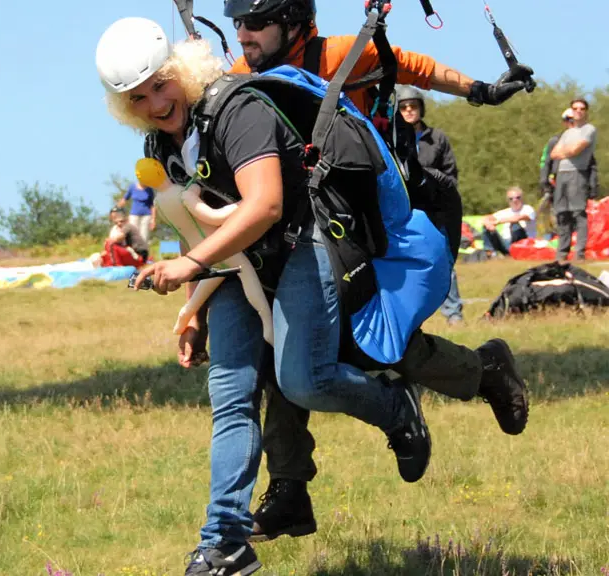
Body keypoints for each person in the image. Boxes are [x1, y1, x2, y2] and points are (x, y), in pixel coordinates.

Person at [98, 19, 446, 575]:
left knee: (303, 380)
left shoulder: (239, 110)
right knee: (231, 396)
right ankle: (225, 543)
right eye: (136, 98)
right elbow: (198, 231)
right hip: (236, 273)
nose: (154, 104)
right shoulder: (161, 144)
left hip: (300, 250)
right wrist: (192, 309)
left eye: (160, 85)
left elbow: (265, 207)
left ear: (180, 72)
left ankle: (395, 407)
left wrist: (191, 264)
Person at [222, 0, 531, 543]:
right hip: (299, 233)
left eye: (253, 23)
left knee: (363, 346)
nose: (241, 34)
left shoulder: (338, 53)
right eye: (238, 23)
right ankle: (290, 488)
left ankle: (482, 371)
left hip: (368, 224)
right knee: (280, 346)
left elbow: (417, 67)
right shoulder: (242, 77)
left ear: (292, 22)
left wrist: (481, 89)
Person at [396, 85, 463, 324]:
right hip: (404, 211)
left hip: (434, 209)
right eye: (403, 107)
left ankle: (453, 313)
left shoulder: (437, 138)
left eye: (413, 106)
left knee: (444, 259)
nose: (409, 110)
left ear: (421, 108)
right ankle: (410, 318)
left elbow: (451, 174)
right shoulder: (392, 138)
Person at [550, 98, 598, 261]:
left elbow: (576, 150)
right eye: (575, 108)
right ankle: (562, 253)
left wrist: (565, 152)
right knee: (562, 213)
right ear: (571, 111)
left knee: (578, 212)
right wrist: (566, 151)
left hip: (577, 172)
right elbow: (553, 153)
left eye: (582, 108)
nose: (578, 111)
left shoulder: (589, 129)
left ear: (586, 111)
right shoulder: (567, 132)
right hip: (562, 174)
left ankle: (579, 253)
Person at [482, 187, 537, 256]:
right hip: (506, 243)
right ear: (508, 200)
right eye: (511, 199)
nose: (514, 200)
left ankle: (517, 252)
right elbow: (488, 217)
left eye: (517, 197)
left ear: (522, 198)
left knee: (515, 225)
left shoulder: (528, 209)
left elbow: (517, 218)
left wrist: (498, 222)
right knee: (486, 227)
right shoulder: (506, 211)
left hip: (525, 243)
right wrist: (488, 223)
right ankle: (490, 254)